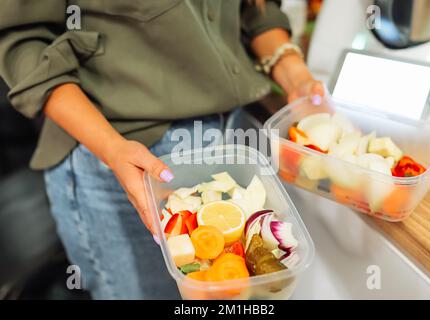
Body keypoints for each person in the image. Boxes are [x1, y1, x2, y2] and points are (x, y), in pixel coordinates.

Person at [0, 0, 323, 299]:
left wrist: (293, 72)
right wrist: (112, 149)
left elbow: (253, 8)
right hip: (124, 154)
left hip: (229, 137)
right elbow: (23, 40)